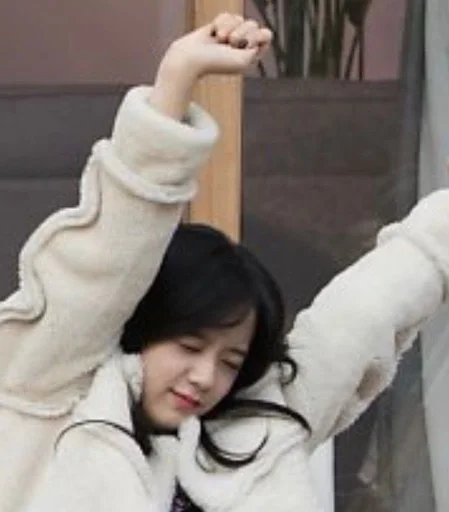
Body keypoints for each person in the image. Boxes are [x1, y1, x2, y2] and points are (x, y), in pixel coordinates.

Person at [0, 12, 448, 512]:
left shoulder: (262, 423)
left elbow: (365, 313)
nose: (204, 376)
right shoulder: (51, 387)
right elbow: (108, 257)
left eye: (231, 361)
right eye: (189, 345)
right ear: (139, 324)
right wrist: (178, 76)